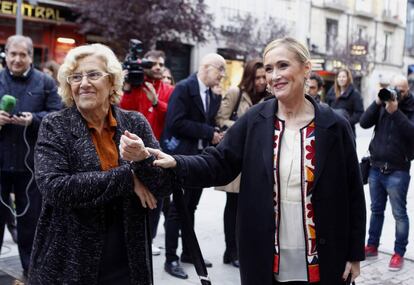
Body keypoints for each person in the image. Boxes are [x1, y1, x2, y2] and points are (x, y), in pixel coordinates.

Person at [140, 37, 367, 285]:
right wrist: (177, 162)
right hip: (264, 255)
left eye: (283, 65)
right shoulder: (255, 120)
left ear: (306, 68)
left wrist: (354, 254)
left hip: (324, 256)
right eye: (269, 69)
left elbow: (353, 193)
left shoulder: (334, 125)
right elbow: (219, 162)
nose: (274, 75)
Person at [28, 43, 174, 284]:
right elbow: (55, 188)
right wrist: (129, 177)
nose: (84, 83)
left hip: (127, 254)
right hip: (70, 257)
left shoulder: (134, 123)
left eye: (93, 74)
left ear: (111, 82)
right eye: (76, 77)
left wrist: (142, 162)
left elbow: (164, 185)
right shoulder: (55, 125)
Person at [160, 53, 226, 279]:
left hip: (199, 159)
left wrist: (214, 132)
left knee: (191, 208)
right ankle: (171, 259)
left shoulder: (212, 94)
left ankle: (188, 252)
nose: (223, 75)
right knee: (177, 210)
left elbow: (208, 121)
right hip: (179, 157)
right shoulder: (184, 88)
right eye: (220, 69)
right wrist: (209, 132)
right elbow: (175, 123)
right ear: (206, 67)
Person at [0, 35, 61, 276]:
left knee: (31, 222)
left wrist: (34, 120)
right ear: (6, 54)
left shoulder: (45, 82)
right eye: (12, 54)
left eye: (22, 54)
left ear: (30, 57)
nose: (17, 59)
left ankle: (31, 268)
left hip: (32, 166)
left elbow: (57, 115)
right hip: (1, 162)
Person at [120, 50, 174, 256]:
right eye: (154, 64)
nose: (158, 67)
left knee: (156, 201)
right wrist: (125, 88)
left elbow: (171, 116)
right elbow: (123, 112)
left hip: (158, 152)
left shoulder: (169, 89)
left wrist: (155, 102)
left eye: (162, 64)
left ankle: (149, 239)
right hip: (131, 151)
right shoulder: (134, 87)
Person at [215, 58, 268, 268]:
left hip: (257, 160)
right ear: (249, 77)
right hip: (238, 158)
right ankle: (231, 251)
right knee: (233, 207)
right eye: (258, 78)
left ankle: (241, 250)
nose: (262, 81)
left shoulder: (270, 98)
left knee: (250, 208)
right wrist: (245, 126)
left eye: (264, 77)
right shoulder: (236, 94)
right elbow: (220, 119)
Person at [360, 75, 414, 271]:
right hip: (376, 167)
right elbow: (364, 123)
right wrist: (376, 103)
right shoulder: (382, 104)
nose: (397, 92)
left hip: (398, 171)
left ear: (407, 90)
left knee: (399, 214)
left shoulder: (410, 107)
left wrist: (396, 112)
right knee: (376, 210)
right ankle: (372, 245)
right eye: (394, 88)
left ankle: (398, 253)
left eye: (401, 89)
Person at [325, 67, 364, 136]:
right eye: (339, 77)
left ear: (348, 78)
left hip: (348, 130)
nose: (341, 79)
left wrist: (347, 122)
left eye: (344, 77)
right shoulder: (331, 92)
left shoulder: (354, 94)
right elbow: (327, 109)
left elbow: (359, 113)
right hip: (332, 129)